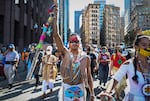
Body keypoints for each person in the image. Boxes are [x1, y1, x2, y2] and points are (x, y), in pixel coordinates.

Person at [52, 4, 94, 101]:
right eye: (72, 41)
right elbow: (56, 35)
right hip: (66, 87)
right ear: (69, 43)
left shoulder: (86, 57)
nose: (74, 43)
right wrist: (55, 17)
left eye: (77, 41)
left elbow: (89, 76)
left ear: (80, 43)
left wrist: (92, 93)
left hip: (80, 88)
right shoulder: (65, 53)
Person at [98, 34, 150, 101]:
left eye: (149, 45)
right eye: (144, 45)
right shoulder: (129, 64)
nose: (147, 48)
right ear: (136, 47)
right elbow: (115, 79)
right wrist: (107, 92)